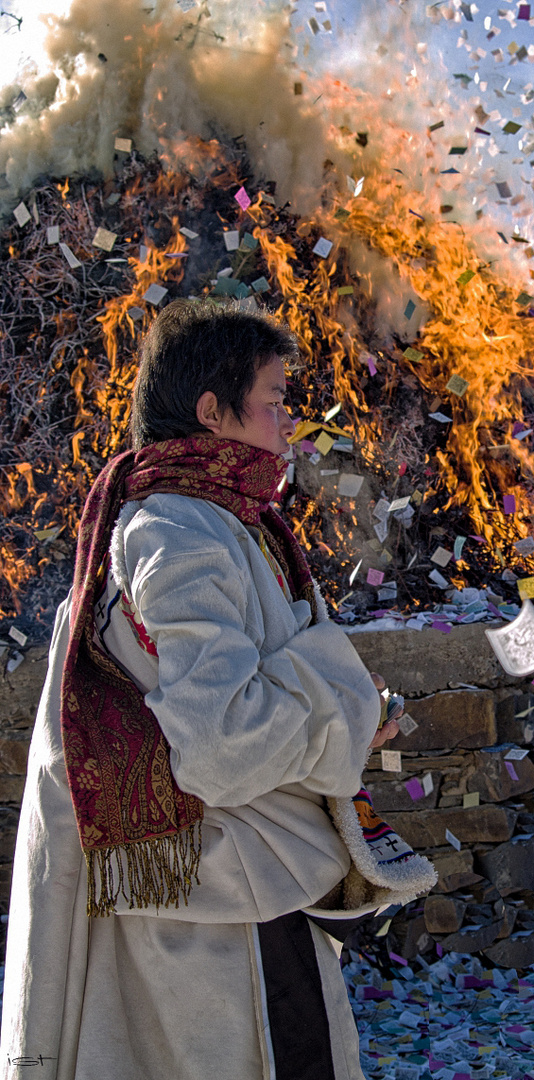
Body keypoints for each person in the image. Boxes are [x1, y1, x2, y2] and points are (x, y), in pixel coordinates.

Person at [0, 299, 429, 1080]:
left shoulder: (211, 522)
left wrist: (336, 715)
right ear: (212, 412)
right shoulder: (175, 530)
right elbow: (222, 742)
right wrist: (347, 702)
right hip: (225, 923)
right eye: (273, 401)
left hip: (239, 901)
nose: (289, 422)